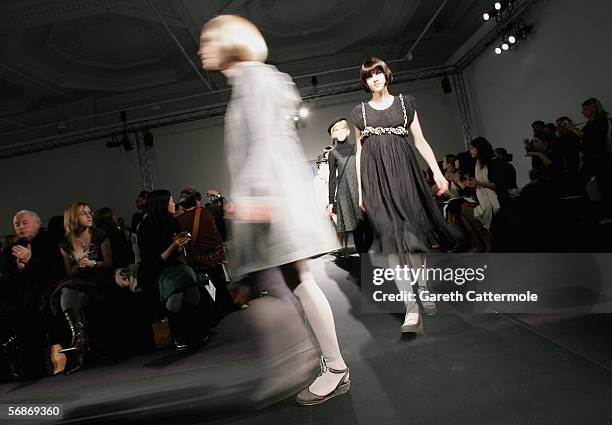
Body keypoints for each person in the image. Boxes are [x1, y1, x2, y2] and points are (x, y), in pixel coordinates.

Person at [199, 15, 347, 406]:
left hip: (273, 199)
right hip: (270, 198)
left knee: (297, 281)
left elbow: (265, 141)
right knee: (293, 281)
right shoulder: (249, 80)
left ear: (229, 42)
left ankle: (330, 366)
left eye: (208, 41)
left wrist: (257, 196)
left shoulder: (254, 78)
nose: (202, 49)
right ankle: (320, 362)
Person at [351, 57, 461, 330]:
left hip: (405, 176)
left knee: (412, 238)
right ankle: (411, 307)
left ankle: (422, 287)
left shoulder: (405, 104)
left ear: (386, 74)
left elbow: (420, 140)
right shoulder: (359, 113)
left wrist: (437, 172)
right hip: (376, 181)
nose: (375, 78)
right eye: (369, 76)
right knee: (390, 240)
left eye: (378, 72)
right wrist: (362, 192)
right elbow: (359, 152)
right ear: (365, 82)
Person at [138, 190, 208, 351]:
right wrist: (174, 245)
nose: (174, 203)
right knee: (179, 282)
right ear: (162, 204)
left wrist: (182, 244)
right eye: (170, 200)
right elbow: (154, 260)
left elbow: (176, 254)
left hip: (173, 266)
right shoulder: (146, 227)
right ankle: (179, 332)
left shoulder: (172, 222)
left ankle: (190, 331)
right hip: (154, 270)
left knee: (187, 278)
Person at [52, 202, 115, 375]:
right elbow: (69, 272)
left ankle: (80, 340)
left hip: (99, 280)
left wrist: (93, 263)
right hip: (79, 282)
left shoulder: (99, 235)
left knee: (69, 293)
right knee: (66, 291)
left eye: (90, 212)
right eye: (83, 213)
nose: (89, 216)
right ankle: (78, 336)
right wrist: (78, 267)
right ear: (73, 218)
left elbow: (109, 263)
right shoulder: (65, 244)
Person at [326, 118, 371, 256]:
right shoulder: (333, 153)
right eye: (336, 130)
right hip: (346, 193)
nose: (340, 132)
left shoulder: (357, 146)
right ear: (333, 134)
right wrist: (331, 202)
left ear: (348, 130)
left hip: (362, 189)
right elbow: (332, 178)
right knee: (356, 229)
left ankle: (367, 252)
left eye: (342, 128)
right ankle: (365, 260)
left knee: (370, 227)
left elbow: (366, 168)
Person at [565, 98, 612, 220]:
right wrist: (572, 132)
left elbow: (592, 138)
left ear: (592, 108)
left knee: (604, 187)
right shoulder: (590, 123)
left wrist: (574, 130)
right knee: (580, 184)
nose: (582, 112)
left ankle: (606, 215)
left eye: (584, 109)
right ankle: (591, 213)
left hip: (599, 159)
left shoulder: (601, 121)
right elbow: (583, 139)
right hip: (591, 159)